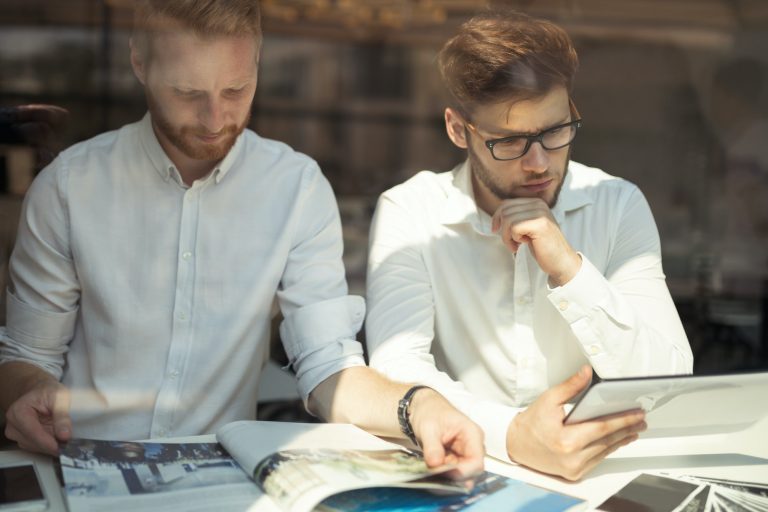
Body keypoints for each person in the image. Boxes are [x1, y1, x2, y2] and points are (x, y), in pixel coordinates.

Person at [0, 0, 483, 479]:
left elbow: (327, 366)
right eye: (188, 92)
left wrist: (416, 407)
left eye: (236, 90)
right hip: (79, 466)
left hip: (216, 480)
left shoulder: (296, 188)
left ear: (257, 61)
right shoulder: (68, 187)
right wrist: (26, 392)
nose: (214, 119)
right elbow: (26, 357)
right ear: (139, 62)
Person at [365, 9, 693, 481]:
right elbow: (397, 372)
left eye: (555, 131)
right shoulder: (411, 211)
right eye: (510, 142)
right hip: (465, 464)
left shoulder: (616, 203)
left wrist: (570, 270)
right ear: (459, 130)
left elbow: (668, 379)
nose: (539, 163)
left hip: (598, 474)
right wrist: (514, 435)